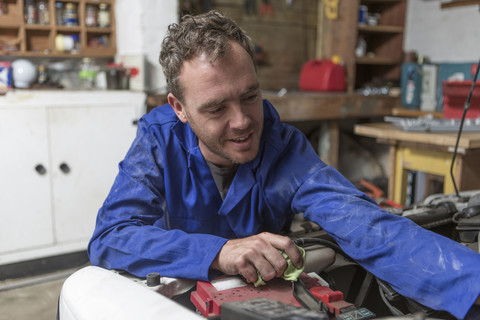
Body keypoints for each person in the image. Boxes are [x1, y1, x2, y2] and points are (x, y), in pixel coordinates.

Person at [88, 11, 480, 319]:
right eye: (216, 108)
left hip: (271, 303)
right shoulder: (158, 140)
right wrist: (219, 252)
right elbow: (112, 236)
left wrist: (474, 284)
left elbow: (366, 226)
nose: (242, 121)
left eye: (250, 96)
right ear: (179, 109)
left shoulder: (283, 146)